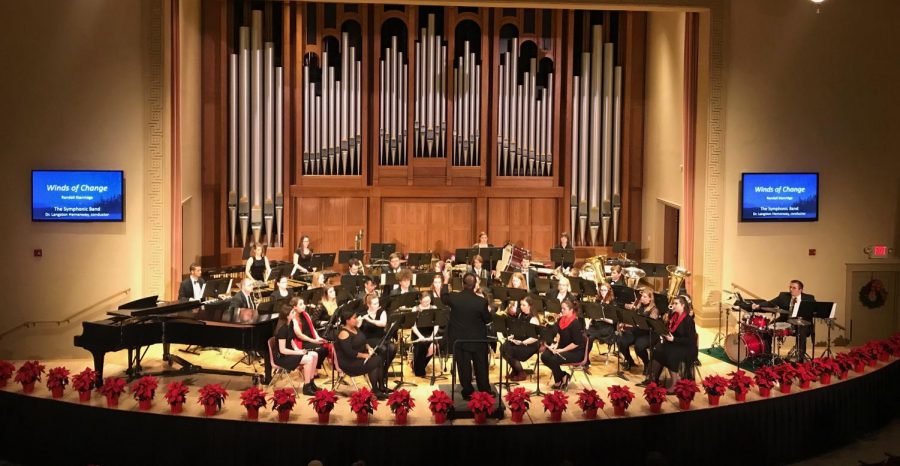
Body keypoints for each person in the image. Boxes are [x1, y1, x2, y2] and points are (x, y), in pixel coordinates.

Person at [442, 272, 493, 399]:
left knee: (463, 366)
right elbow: (487, 320)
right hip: (478, 340)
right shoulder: (481, 302)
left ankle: (468, 390)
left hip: (460, 340)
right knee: (481, 365)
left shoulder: (454, 298)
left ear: (462, 284)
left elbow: (443, 297)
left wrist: (446, 279)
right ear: (475, 284)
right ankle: (484, 390)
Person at [640, 295, 698, 389]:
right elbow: (669, 329)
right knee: (657, 350)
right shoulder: (674, 316)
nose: (673, 305)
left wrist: (674, 339)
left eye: (676, 303)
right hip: (674, 343)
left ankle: (675, 384)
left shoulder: (688, 320)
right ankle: (653, 379)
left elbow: (691, 340)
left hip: (686, 347)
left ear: (683, 305)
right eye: (673, 303)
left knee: (670, 355)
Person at [752, 279, 816, 361]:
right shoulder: (783, 296)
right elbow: (770, 303)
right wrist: (759, 305)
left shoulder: (809, 298)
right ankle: (767, 355)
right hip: (786, 320)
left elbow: (814, 310)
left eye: (794, 288)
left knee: (802, 330)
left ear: (800, 290)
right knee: (767, 328)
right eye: (790, 287)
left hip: (801, 323)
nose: (791, 290)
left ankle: (800, 357)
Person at [335, 310, 389, 400]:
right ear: (347, 320)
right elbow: (349, 352)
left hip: (357, 358)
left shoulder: (355, 328)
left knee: (378, 359)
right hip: (349, 363)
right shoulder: (343, 333)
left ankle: (379, 388)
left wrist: (368, 348)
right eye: (354, 318)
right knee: (376, 361)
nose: (356, 319)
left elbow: (364, 340)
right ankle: (376, 390)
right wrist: (364, 355)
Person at [273, 304, 320, 395]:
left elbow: (291, 340)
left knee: (315, 354)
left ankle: (311, 382)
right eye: (292, 312)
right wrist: (297, 352)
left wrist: (298, 350)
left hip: (290, 353)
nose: (294, 313)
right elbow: (282, 350)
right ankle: (307, 387)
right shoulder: (282, 329)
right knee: (309, 359)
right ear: (287, 315)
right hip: (282, 357)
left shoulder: (290, 324)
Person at [540, 299, 586, 390]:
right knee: (544, 356)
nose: (561, 311)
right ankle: (563, 375)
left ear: (571, 310)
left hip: (575, 352)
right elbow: (554, 331)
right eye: (562, 308)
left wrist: (562, 350)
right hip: (563, 348)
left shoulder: (575, 323)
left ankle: (558, 381)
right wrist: (552, 345)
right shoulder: (561, 319)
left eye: (564, 309)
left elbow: (576, 343)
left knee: (554, 358)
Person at [358, 294, 396, 392]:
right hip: (368, 341)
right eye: (375, 303)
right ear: (368, 305)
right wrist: (360, 321)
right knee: (381, 351)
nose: (377, 305)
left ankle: (383, 373)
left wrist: (369, 320)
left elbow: (383, 323)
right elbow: (357, 329)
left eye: (378, 302)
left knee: (392, 348)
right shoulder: (362, 314)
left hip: (380, 338)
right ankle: (377, 387)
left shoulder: (381, 312)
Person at [617, 288, 660, 373]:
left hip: (648, 333)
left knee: (639, 347)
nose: (642, 298)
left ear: (650, 298)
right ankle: (630, 361)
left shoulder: (654, 310)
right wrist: (625, 324)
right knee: (621, 341)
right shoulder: (638, 306)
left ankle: (646, 363)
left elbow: (651, 324)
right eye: (641, 296)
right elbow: (632, 318)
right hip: (637, 330)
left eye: (644, 297)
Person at [501, 296, 542, 382]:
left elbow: (535, 338)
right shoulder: (521, 315)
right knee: (503, 347)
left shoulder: (533, 319)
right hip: (520, 341)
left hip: (530, 344)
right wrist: (512, 337)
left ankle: (521, 372)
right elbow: (518, 329)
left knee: (510, 350)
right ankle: (515, 369)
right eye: (521, 305)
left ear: (529, 306)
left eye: (524, 305)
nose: (521, 307)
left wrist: (522, 342)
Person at [288, 297, 329, 371]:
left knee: (326, 347)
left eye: (303, 303)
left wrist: (317, 338)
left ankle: (314, 368)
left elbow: (312, 328)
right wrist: (313, 341)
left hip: (311, 339)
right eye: (300, 304)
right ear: (295, 307)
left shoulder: (305, 314)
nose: (303, 305)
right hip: (302, 342)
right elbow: (300, 335)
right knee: (321, 349)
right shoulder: (293, 319)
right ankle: (312, 370)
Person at [411, 293, 441, 377]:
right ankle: (418, 367)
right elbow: (413, 325)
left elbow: (436, 324)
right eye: (425, 301)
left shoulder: (434, 308)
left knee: (433, 347)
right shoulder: (415, 309)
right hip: (418, 334)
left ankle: (418, 365)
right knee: (421, 346)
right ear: (420, 301)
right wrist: (420, 336)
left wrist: (433, 335)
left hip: (430, 333)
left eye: (429, 300)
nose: (427, 303)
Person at [586, 284, 617, 349]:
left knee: (590, 337)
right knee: (584, 336)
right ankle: (585, 356)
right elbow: (593, 313)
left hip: (606, 327)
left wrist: (602, 319)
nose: (602, 292)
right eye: (601, 290)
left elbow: (613, 322)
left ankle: (585, 357)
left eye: (605, 290)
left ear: (609, 291)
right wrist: (588, 323)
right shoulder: (598, 300)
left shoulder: (613, 303)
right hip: (596, 325)